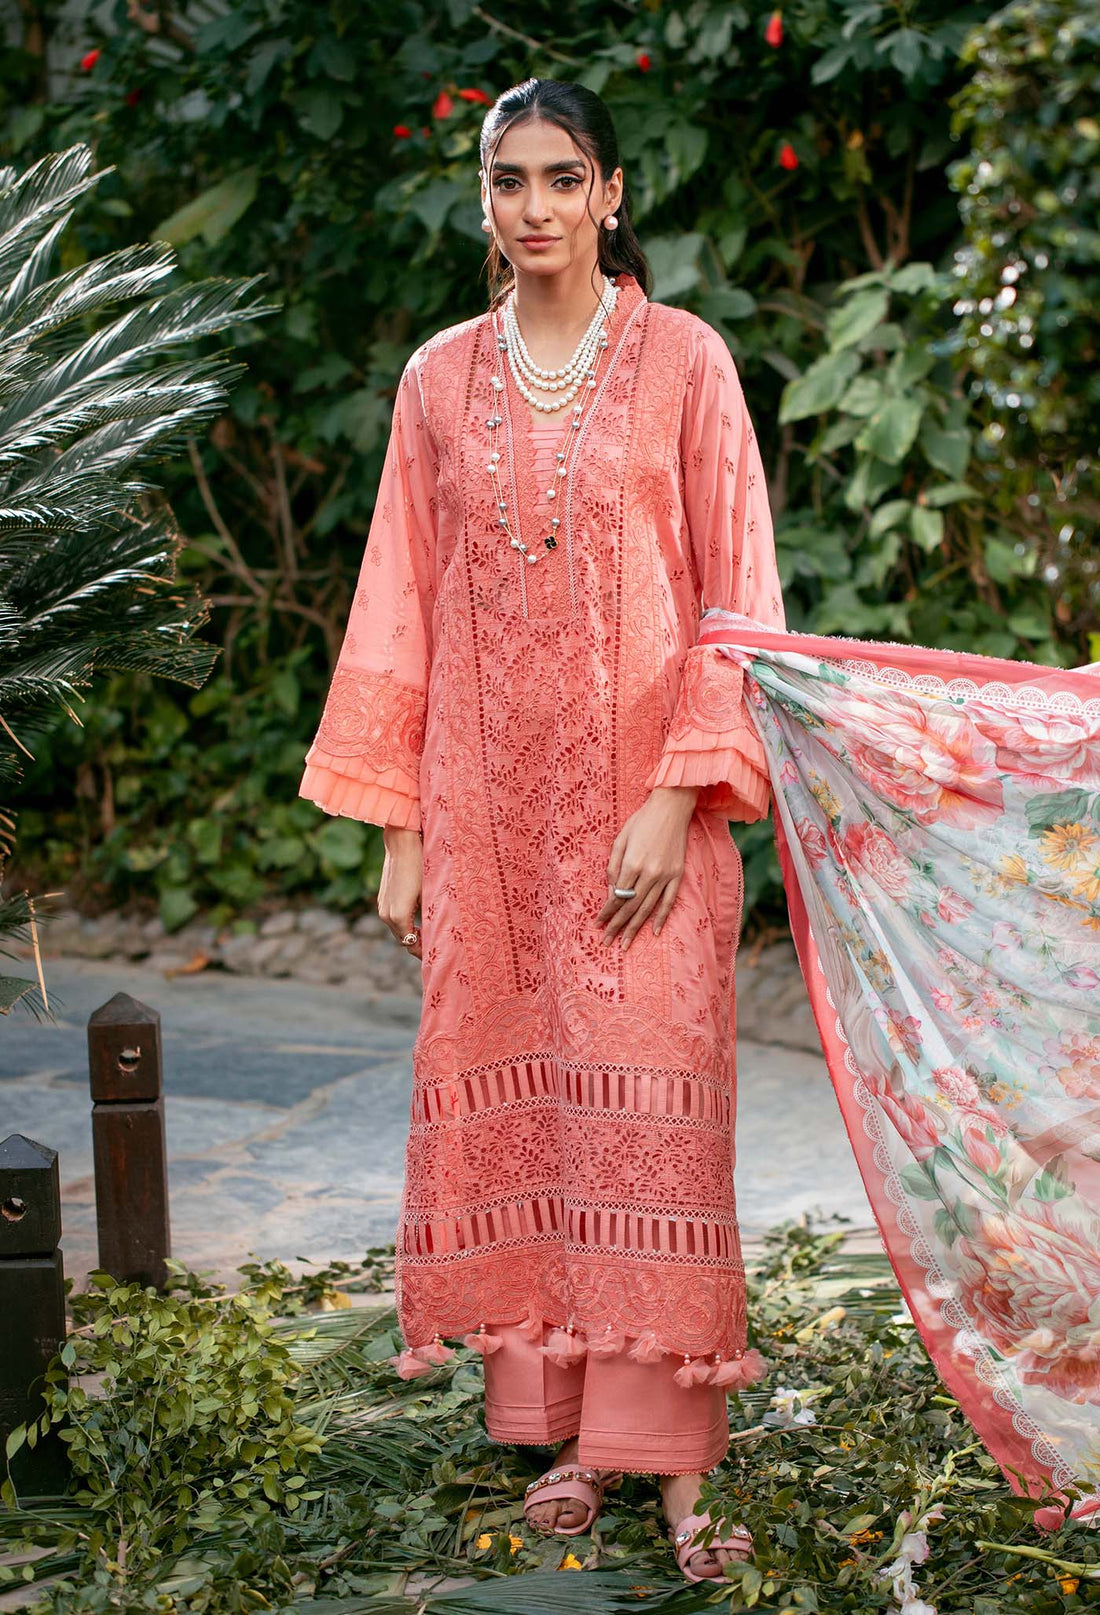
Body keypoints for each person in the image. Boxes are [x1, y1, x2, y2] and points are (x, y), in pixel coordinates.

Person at [298, 76, 784, 1582]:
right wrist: (401, 829)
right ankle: (574, 1434)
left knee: (654, 1114)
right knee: (544, 1120)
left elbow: (738, 594)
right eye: (508, 180)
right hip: (488, 824)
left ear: (611, 194)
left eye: (564, 178)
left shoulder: (686, 361)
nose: (535, 208)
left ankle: (679, 1466)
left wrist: (674, 798)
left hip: (648, 817)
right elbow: (399, 594)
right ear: (484, 197)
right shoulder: (438, 379)